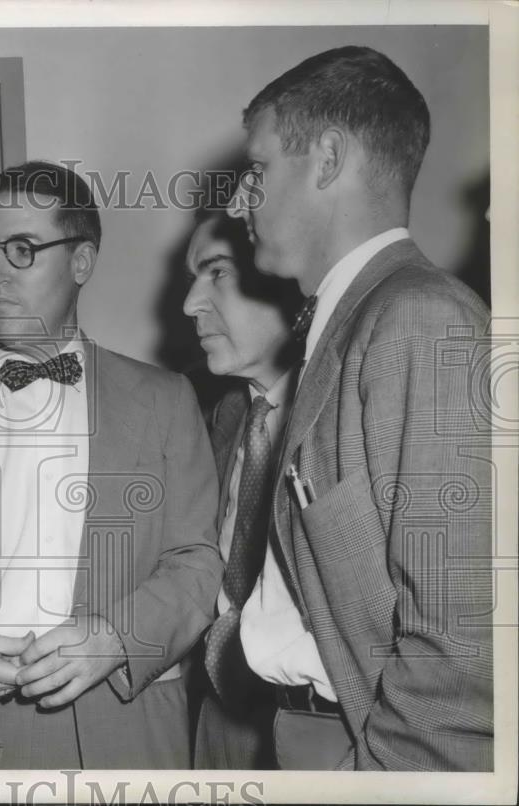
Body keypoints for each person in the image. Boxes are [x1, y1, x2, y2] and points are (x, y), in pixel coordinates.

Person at [0, 161, 222, 768]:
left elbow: (196, 560)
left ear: (81, 262)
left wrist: (116, 639)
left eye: (23, 249)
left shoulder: (167, 400)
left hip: (127, 724)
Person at [226, 46, 493, 770]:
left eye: (256, 173)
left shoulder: (421, 319)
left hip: (371, 758)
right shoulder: (353, 321)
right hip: (312, 737)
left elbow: (464, 656)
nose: (236, 201)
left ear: (328, 159)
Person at [181, 210, 303, 769]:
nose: (190, 304)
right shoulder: (225, 413)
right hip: (216, 716)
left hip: (312, 727)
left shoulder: (347, 413)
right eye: (191, 277)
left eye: (217, 273)